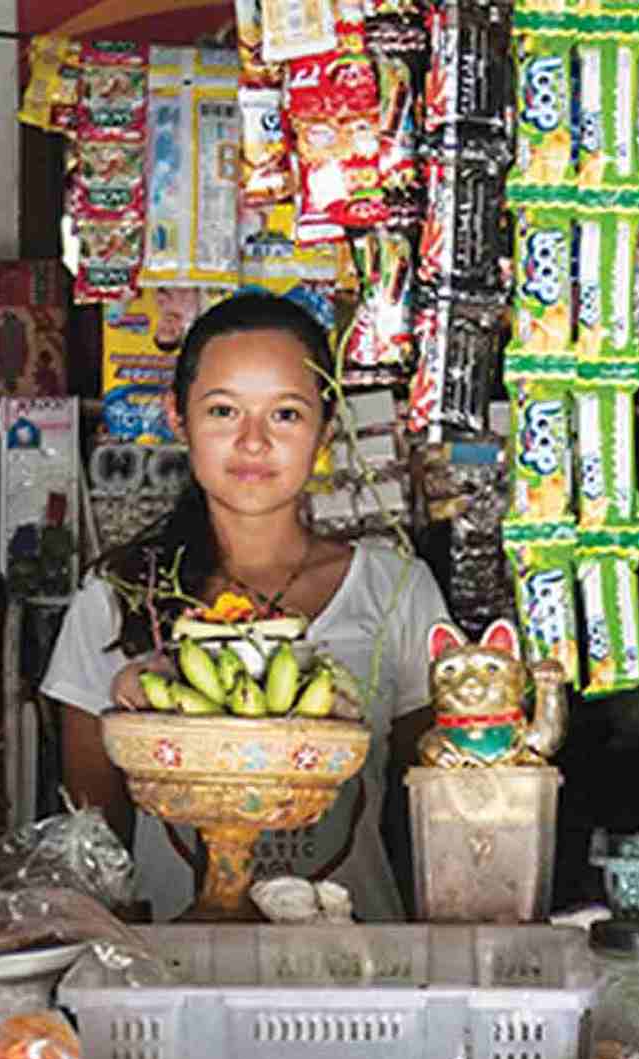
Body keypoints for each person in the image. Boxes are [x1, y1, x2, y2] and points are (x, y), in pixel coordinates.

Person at [44, 292, 449, 920]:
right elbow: (97, 849)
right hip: (174, 977)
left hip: (358, 973)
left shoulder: (397, 590)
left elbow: (426, 816)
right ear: (178, 419)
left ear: (326, 429)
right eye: (224, 411)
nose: (253, 442)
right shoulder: (117, 596)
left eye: (285, 414)